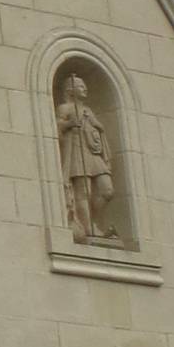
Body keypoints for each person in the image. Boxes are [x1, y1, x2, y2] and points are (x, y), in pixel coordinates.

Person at [56, 69, 119, 243]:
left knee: (107, 190)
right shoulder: (65, 107)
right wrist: (69, 123)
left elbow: (96, 127)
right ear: (70, 90)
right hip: (76, 150)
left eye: (85, 86)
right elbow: (58, 125)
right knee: (83, 190)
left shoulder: (88, 110)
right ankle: (88, 226)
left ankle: (94, 220)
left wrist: (97, 125)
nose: (85, 89)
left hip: (92, 151)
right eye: (80, 86)